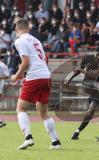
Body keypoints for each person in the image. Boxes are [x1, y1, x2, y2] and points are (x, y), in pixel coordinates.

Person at [11, 19, 61, 150]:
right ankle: (55, 142)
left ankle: (28, 138)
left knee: (20, 109)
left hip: (36, 76)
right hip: (46, 76)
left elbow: (26, 61)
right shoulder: (36, 40)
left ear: (17, 29)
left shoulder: (19, 40)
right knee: (43, 112)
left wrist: (17, 76)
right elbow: (44, 60)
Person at [64, 46, 99, 140]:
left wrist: (82, 70)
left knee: (90, 112)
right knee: (98, 85)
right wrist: (69, 81)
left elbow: (94, 75)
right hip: (88, 84)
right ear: (96, 52)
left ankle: (76, 133)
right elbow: (79, 70)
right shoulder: (87, 58)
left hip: (96, 90)